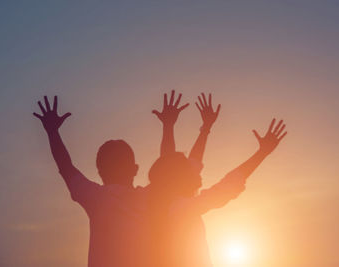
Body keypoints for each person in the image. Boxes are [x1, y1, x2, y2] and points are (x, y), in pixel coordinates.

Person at [149, 91, 287, 266]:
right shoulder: (179, 209)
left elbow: (180, 165)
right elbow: (225, 188)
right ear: (180, 179)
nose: (196, 168)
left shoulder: (168, 200)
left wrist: (200, 127)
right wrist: (261, 154)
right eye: (188, 168)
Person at [33, 96, 147, 267]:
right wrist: (169, 127)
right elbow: (170, 172)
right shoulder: (148, 198)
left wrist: (52, 132)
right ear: (135, 169)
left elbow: (66, 167)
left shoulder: (96, 197)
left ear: (100, 172)